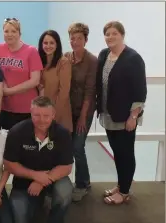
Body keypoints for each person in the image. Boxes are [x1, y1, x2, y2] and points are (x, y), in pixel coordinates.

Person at [96, 21, 147, 205]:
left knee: (125, 153)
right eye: (107, 34)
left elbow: (140, 90)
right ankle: (121, 184)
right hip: (108, 114)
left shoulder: (133, 58)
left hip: (125, 116)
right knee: (117, 152)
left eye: (114, 33)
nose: (110, 37)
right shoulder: (104, 54)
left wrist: (133, 116)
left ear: (122, 35)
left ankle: (124, 192)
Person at [3, 96, 74, 223]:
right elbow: (9, 164)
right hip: (23, 182)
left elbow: (67, 166)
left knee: (65, 192)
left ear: (53, 115)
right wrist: (35, 175)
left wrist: (42, 181)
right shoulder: (16, 132)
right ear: (31, 113)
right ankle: (40, 202)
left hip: (53, 178)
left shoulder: (63, 134)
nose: (41, 120)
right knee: (20, 217)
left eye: (46, 116)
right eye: (37, 115)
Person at [64, 23, 97, 202]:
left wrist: (83, 116)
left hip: (84, 110)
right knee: (68, 147)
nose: (75, 41)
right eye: (72, 38)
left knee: (78, 146)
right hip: (68, 110)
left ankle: (82, 185)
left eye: (79, 38)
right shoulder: (66, 57)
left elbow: (90, 91)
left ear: (86, 39)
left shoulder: (92, 60)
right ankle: (84, 180)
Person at [0, 18, 43, 130]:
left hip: (26, 109)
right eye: (6, 31)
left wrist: (9, 91)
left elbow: (35, 80)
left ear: (19, 33)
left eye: (13, 31)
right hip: (4, 108)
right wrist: (3, 87)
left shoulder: (31, 51)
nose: (9, 34)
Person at [38, 30, 73, 133]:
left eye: (52, 43)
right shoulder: (38, 61)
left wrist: (53, 115)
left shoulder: (63, 63)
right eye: (45, 43)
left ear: (57, 44)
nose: (48, 46)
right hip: (41, 112)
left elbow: (64, 92)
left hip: (58, 113)